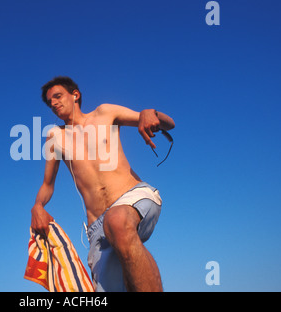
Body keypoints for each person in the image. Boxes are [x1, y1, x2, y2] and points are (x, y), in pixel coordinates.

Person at [30, 76, 175, 292]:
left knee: (117, 221)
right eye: (49, 101)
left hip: (134, 196)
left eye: (57, 96)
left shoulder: (105, 113)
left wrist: (149, 113)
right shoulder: (54, 137)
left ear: (75, 95)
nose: (53, 103)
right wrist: (37, 206)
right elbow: (47, 185)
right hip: (97, 226)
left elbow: (168, 124)